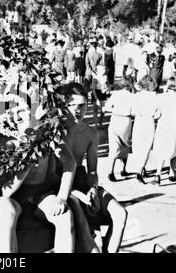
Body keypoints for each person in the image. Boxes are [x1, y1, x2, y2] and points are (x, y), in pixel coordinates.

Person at [0, 104, 76, 253]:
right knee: (6, 209)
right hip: (12, 196)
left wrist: (62, 197)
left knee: (64, 215)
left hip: (39, 193)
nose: (15, 117)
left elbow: (70, 162)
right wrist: (28, 163)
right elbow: (5, 192)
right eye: (11, 113)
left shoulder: (47, 136)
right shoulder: (6, 142)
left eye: (20, 112)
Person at [64, 83, 127, 253]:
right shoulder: (57, 132)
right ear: (64, 105)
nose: (78, 110)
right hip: (62, 185)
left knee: (120, 214)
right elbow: (54, 175)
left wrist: (92, 189)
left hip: (82, 180)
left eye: (82, 105)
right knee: (80, 215)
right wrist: (78, 194)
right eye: (72, 105)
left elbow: (92, 171)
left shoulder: (91, 133)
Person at [152, 78, 176, 186]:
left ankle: (158, 174)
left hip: (163, 122)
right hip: (174, 123)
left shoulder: (161, 97)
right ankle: (171, 172)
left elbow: (157, 114)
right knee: (174, 149)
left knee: (162, 148)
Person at [131, 75, 161, 184]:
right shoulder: (155, 97)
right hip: (149, 121)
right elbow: (157, 114)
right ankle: (140, 170)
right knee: (146, 147)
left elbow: (133, 112)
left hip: (139, 121)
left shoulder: (136, 96)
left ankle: (140, 168)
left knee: (137, 145)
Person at [104, 78, 134, 181]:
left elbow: (107, 107)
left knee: (113, 146)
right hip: (126, 120)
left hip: (115, 118)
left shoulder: (115, 95)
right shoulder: (131, 96)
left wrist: (115, 109)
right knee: (125, 145)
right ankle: (123, 169)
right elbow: (134, 111)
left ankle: (110, 171)